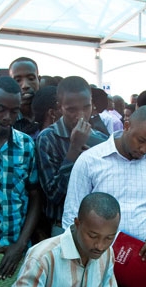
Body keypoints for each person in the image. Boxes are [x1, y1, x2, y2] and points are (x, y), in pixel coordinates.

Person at [61, 105, 146, 263]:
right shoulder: (90, 161)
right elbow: (72, 213)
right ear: (126, 126)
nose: (145, 149)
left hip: (142, 260)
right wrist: (78, 257)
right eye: (141, 141)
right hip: (96, 259)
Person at [1, 193, 119, 287]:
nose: (100, 245)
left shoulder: (106, 253)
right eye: (93, 236)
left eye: (109, 238)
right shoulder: (43, 257)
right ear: (77, 224)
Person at [0, 77, 42, 280]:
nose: (7, 117)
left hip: (16, 247)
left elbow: (35, 196)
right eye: (0, 109)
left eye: (14, 111)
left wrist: (20, 244)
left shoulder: (26, 145)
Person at [36, 76, 107, 235]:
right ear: (59, 107)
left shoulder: (101, 140)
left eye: (86, 107)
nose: (81, 115)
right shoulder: (47, 139)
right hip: (62, 226)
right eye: (71, 109)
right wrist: (74, 150)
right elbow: (53, 194)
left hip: (96, 227)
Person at [8, 57, 40, 135]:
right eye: (18, 80)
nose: (25, 85)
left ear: (39, 80)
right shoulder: (7, 119)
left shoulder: (51, 115)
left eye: (31, 79)